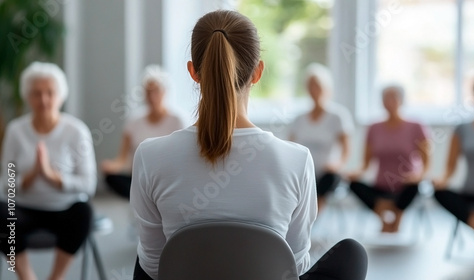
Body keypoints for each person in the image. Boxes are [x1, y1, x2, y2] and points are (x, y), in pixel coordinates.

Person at [131, 10, 367, 280]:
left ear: (193, 72)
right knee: (352, 253)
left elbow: (153, 266)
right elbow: (295, 265)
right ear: (257, 73)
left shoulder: (150, 156)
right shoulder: (297, 160)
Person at [0, 62, 96, 280]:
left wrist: (54, 178)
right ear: (27, 96)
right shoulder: (16, 130)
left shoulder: (76, 131)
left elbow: (88, 184)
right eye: (36, 93)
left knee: (84, 212)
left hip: (64, 209)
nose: (43, 100)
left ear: (60, 96)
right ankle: (27, 277)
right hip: (24, 209)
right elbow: (6, 184)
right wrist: (32, 175)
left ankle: (55, 277)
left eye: (50, 93)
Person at [348, 85, 430, 233]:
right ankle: (384, 219)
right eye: (386, 98)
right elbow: (366, 163)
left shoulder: (416, 126)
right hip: (380, 187)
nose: (390, 101)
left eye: (394, 97)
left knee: (414, 185)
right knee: (353, 184)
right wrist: (355, 172)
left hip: (406, 187)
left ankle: (397, 217)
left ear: (402, 100)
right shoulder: (374, 128)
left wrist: (419, 175)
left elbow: (426, 161)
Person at [433, 79, 474, 257]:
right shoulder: (462, 129)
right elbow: (450, 166)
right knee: (439, 192)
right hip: (470, 194)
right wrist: (442, 179)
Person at [101, 65, 184, 199]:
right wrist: (111, 166)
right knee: (111, 178)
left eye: (156, 91)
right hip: (138, 177)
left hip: (166, 177)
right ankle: (144, 198)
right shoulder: (133, 121)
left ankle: (147, 198)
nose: (151, 97)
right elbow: (122, 158)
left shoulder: (177, 121)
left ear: (164, 92)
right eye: (148, 92)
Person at [290, 63, 354, 213]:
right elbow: (290, 147)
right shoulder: (299, 119)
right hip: (304, 172)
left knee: (329, 178)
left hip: (327, 173)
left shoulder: (338, 116)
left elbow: (346, 150)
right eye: (310, 86)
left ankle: (310, 218)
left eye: (317, 85)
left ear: (326, 88)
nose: (314, 90)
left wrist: (337, 164)